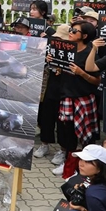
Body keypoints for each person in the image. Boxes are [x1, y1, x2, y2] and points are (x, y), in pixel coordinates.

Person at [54, 21, 101, 178]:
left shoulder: (90, 52)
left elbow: (97, 81)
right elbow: (59, 69)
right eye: (71, 30)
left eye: (75, 31)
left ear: (85, 36)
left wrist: (82, 73)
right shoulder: (66, 49)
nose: (71, 32)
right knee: (68, 133)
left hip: (83, 99)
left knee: (85, 135)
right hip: (67, 96)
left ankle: (88, 168)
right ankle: (69, 165)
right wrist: (55, 64)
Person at [35, 24, 71, 166]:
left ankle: (63, 150)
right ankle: (45, 144)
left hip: (67, 89)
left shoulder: (74, 51)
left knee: (63, 121)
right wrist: (48, 60)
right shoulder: (51, 48)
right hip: (51, 86)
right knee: (46, 115)